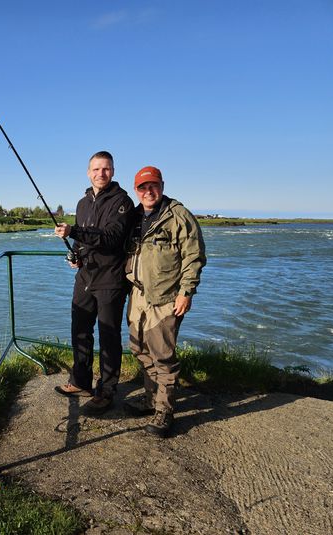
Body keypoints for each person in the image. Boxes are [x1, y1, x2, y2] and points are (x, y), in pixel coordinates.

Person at [124, 165, 206, 437]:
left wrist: (186, 292)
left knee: (163, 356)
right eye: (143, 187)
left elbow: (193, 257)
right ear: (136, 191)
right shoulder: (134, 217)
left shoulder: (178, 215)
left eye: (153, 185)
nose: (149, 191)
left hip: (166, 297)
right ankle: (151, 398)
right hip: (137, 295)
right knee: (138, 348)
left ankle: (165, 410)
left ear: (162, 185)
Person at [54, 151, 134, 413]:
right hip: (85, 276)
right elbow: (82, 240)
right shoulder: (82, 202)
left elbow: (111, 238)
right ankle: (81, 381)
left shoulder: (123, 202)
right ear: (88, 172)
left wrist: (74, 231)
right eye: (96, 169)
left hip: (110, 278)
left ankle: (107, 390)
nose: (101, 174)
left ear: (113, 171)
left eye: (106, 169)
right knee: (80, 328)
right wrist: (75, 254)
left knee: (108, 335)